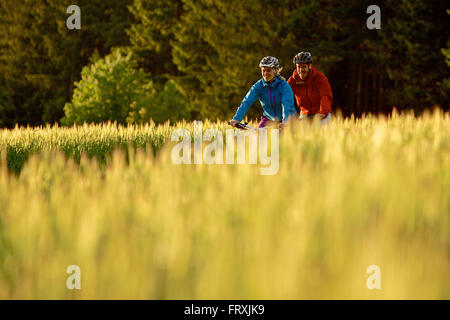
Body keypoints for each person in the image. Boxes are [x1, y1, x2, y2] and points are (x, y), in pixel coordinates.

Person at [230, 56, 297, 128]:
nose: (265, 73)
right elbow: (247, 102)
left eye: (268, 70)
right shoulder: (258, 86)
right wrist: (236, 119)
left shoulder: (284, 86)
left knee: (284, 137)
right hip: (269, 119)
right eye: (263, 70)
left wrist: (286, 122)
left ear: (276, 70)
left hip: (288, 119)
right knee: (259, 136)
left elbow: (287, 105)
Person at [287, 52, 333, 123]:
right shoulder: (293, 80)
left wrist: (322, 113)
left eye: (304, 67)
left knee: (322, 129)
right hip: (304, 114)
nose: (301, 70)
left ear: (310, 66)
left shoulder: (320, 78)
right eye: (298, 67)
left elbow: (326, 96)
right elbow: (285, 97)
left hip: (321, 113)